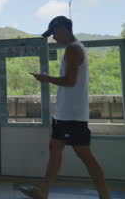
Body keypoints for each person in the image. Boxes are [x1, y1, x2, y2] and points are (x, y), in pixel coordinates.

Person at [19, 16, 110, 199]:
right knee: (55, 149)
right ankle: (43, 192)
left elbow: (70, 81)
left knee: (85, 155)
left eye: (54, 32)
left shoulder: (74, 49)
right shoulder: (72, 48)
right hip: (65, 114)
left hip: (72, 115)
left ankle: (105, 196)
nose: (53, 36)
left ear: (63, 28)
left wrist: (47, 78)